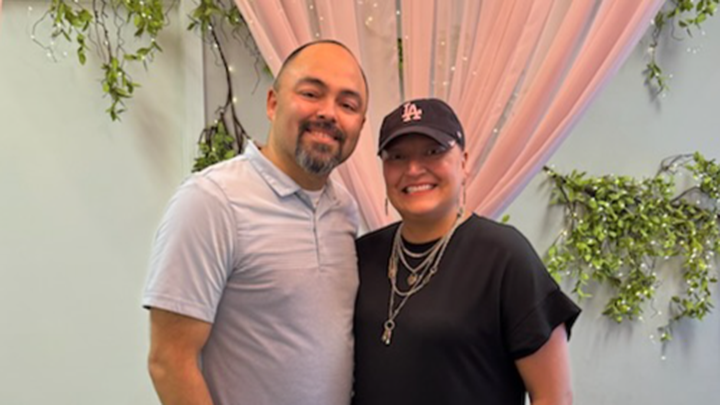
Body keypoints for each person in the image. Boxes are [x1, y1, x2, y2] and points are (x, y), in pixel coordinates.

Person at [143, 40, 368, 405]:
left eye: (348, 104)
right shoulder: (212, 200)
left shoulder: (344, 210)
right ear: (273, 103)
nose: (329, 113)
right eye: (311, 93)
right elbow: (168, 361)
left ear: (360, 124)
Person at [352, 98, 581, 405]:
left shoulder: (505, 256)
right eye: (397, 156)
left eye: (433, 152)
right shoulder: (363, 255)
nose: (413, 169)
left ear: (464, 162)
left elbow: (555, 397)